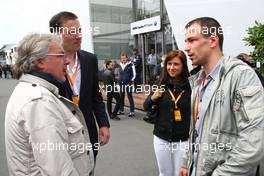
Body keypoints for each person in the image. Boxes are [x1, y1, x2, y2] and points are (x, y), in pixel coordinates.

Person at [180, 17, 264, 176]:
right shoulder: (198, 82)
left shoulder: (241, 76)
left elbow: (253, 144)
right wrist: (187, 163)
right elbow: (195, 132)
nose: (186, 47)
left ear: (212, 41)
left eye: (191, 40)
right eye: (186, 41)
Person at [5, 33, 94, 175]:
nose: (66, 61)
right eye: (61, 55)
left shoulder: (30, 91)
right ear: (40, 62)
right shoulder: (39, 101)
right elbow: (58, 170)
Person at [49, 11, 110, 161]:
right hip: (62, 134)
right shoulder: (49, 63)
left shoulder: (90, 59)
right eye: (72, 32)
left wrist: (103, 124)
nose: (79, 36)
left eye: (80, 31)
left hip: (88, 130)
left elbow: (96, 96)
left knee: (90, 166)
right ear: (56, 34)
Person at [143, 50, 191, 176]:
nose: (171, 67)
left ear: (183, 66)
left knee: (179, 173)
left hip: (182, 140)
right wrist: (153, 97)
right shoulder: (160, 84)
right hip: (161, 138)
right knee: (164, 173)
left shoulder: (191, 86)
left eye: (176, 64)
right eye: (169, 64)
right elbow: (146, 106)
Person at [119, 53, 136, 117]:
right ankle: (121, 110)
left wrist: (130, 82)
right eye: (122, 58)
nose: (123, 59)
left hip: (128, 83)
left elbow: (134, 75)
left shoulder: (131, 64)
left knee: (129, 97)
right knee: (121, 97)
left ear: (126, 58)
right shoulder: (120, 64)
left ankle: (132, 111)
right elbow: (119, 73)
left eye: (124, 58)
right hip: (121, 83)